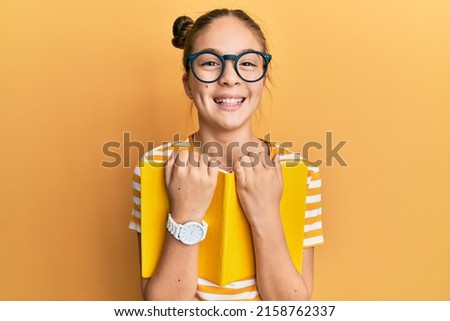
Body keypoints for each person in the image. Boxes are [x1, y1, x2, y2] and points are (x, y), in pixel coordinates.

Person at [129, 8, 323, 301]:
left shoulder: (299, 172)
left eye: (246, 63)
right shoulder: (155, 168)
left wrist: (266, 212)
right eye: (210, 62)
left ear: (262, 78)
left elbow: (293, 305)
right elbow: (162, 307)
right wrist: (186, 214)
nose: (229, 78)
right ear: (188, 84)